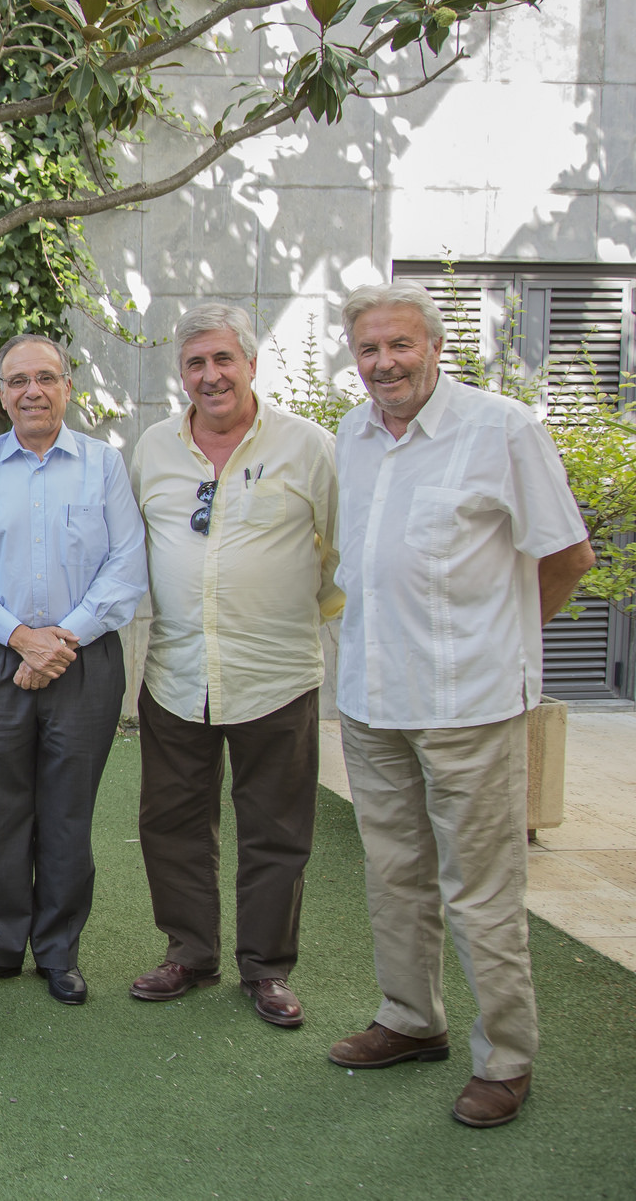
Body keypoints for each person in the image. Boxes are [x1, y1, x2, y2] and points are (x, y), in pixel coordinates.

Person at [326, 280, 594, 1129]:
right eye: (369, 349)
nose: (384, 363)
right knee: (394, 872)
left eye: (400, 345)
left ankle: (506, 1057)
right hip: (372, 700)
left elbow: (568, 555)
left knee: (480, 889)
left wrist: (502, 643)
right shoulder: (354, 434)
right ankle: (412, 1018)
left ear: (436, 348)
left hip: (467, 706)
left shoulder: (500, 429)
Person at [128, 303, 340, 1028]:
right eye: (195, 363)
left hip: (275, 674)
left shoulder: (309, 447)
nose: (210, 375)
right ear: (181, 374)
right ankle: (189, 950)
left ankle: (267, 967)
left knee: (275, 829)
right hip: (177, 673)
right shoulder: (153, 448)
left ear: (252, 363)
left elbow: (338, 554)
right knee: (171, 821)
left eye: (223, 360)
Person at [0, 333, 147, 1005]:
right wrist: (23, 638)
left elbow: (126, 566)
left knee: (66, 814)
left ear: (67, 387)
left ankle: (59, 950)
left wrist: (60, 640)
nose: (32, 390)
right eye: (17, 380)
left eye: (46, 377)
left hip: (83, 662)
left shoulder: (103, 465)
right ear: (0, 394)